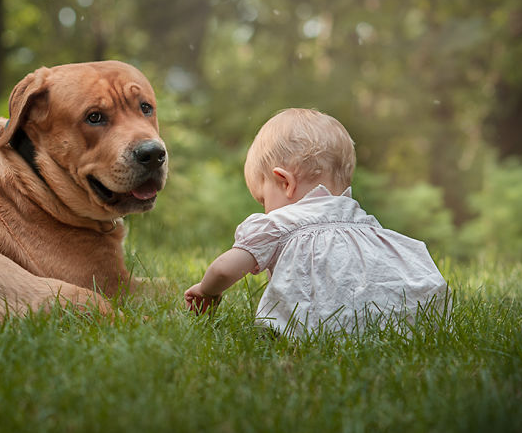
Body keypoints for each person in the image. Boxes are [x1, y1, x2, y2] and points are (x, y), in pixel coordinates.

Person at [184, 108, 448, 335]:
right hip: (382, 325)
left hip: (312, 330)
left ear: (285, 182)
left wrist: (206, 291)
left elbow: (223, 270)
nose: (265, 210)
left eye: (263, 199)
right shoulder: (363, 223)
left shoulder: (280, 223)